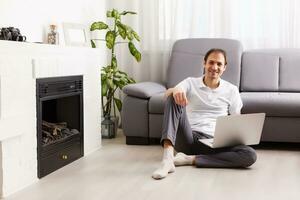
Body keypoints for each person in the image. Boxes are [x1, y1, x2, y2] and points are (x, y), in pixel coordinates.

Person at [152, 48, 257, 180]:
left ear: (224, 67)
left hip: (216, 141)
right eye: (211, 62)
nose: (214, 67)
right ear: (204, 63)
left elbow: (236, 120)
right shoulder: (190, 82)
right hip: (189, 138)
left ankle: (190, 159)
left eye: (219, 64)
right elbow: (167, 95)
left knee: (249, 155)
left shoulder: (231, 90)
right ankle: (167, 159)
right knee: (173, 97)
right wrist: (176, 90)